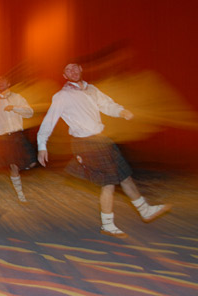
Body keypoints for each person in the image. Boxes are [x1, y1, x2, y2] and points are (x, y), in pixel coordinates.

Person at [37, 63, 171, 238]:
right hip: (85, 143)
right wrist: (42, 145)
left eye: (75, 68)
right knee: (108, 182)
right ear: (64, 75)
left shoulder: (91, 89)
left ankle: (144, 210)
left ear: (81, 70)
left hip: (102, 140)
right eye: (68, 70)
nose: (73, 71)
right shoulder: (62, 96)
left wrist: (121, 111)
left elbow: (107, 105)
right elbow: (49, 121)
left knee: (124, 176)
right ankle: (107, 224)